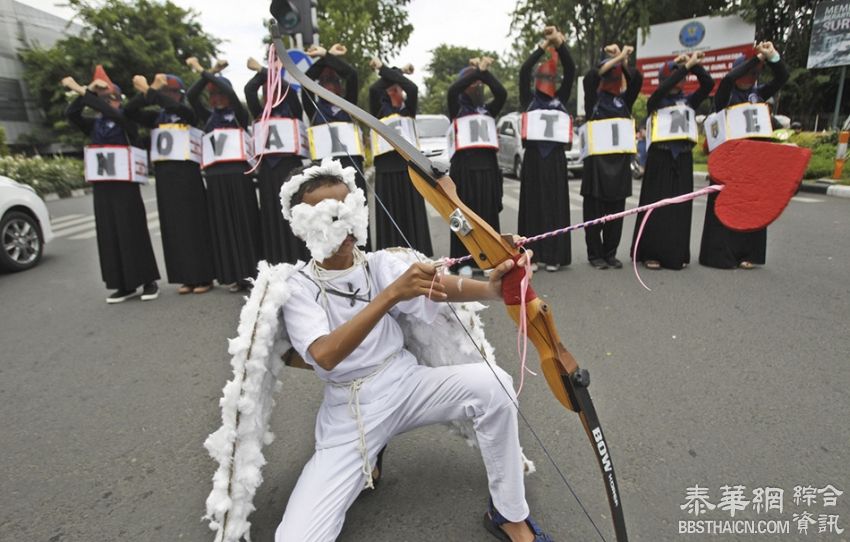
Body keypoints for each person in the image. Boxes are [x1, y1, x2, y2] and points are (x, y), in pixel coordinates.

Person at [273, 158, 552, 542]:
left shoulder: (379, 264)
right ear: (303, 224)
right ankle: (370, 451)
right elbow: (324, 355)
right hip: (351, 411)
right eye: (328, 214)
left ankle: (508, 513)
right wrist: (390, 296)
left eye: (348, 207)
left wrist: (494, 287)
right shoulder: (297, 286)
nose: (345, 223)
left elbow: (437, 286)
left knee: (495, 386)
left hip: (405, 381)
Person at [62, 66, 160, 303]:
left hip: (125, 185)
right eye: (105, 99)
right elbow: (72, 114)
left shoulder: (125, 119)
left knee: (132, 230)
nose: (108, 103)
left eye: (111, 98)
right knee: (110, 233)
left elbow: (114, 114)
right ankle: (122, 284)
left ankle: (148, 281)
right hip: (103, 185)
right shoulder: (94, 124)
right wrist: (84, 93)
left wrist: (83, 90)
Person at [699, 41, 789, 270]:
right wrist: (756, 59)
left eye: (756, 73)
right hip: (729, 161)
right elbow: (729, 79)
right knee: (727, 207)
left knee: (751, 206)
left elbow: (781, 78)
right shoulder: (725, 96)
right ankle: (723, 254)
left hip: (754, 160)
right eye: (750, 72)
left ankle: (749, 253)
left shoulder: (758, 95)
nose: (753, 77)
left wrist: (772, 57)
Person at [125, 73, 216, 294]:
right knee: (173, 227)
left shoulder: (187, 113)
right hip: (165, 176)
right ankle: (185, 277)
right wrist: (145, 94)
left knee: (194, 226)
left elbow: (176, 108)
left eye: (173, 93)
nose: (168, 97)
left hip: (188, 175)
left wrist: (150, 90)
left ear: (181, 94)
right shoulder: (157, 117)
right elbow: (129, 112)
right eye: (166, 93)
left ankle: (203, 276)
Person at [630, 52, 714, 270]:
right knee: (657, 208)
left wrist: (693, 65)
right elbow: (662, 87)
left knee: (680, 208)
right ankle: (651, 253)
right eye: (676, 76)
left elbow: (708, 84)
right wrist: (683, 67)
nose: (681, 80)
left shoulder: (688, 101)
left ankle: (676, 254)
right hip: (661, 158)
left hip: (683, 158)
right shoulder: (656, 101)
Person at [186, 57, 262, 291]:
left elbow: (229, 90)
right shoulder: (208, 116)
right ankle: (234, 275)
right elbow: (191, 95)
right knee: (224, 226)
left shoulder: (239, 114)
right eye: (213, 94)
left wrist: (205, 71)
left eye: (221, 93)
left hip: (239, 175)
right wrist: (208, 73)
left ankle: (252, 273)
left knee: (245, 223)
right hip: (215, 177)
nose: (217, 97)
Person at [517, 26, 575, 272]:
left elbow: (571, 69)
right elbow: (523, 71)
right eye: (544, 78)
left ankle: (554, 255)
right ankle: (535, 254)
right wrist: (543, 45)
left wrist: (559, 44)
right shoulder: (528, 99)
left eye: (551, 78)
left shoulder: (560, 98)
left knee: (555, 205)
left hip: (555, 159)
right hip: (532, 159)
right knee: (534, 206)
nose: (547, 83)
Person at [303, 43, 371, 251]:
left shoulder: (348, 104)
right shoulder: (312, 106)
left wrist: (328, 56)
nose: (329, 85)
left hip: (351, 167)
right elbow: (304, 80)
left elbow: (351, 74)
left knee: (356, 213)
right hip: (325, 170)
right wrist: (325, 58)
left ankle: (361, 254)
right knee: (326, 215)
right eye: (323, 81)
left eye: (333, 80)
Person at [581, 44, 643, 270]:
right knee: (594, 213)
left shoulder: (624, 102)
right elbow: (590, 76)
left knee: (616, 213)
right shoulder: (593, 100)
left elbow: (636, 80)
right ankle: (594, 254)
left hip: (619, 165)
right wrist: (617, 56)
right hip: (597, 166)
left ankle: (610, 253)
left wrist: (624, 61)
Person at [244, 55, 309, 264]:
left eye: (273, 89)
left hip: (290, 168)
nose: (269, 94)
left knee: (294, 213)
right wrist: (261, 75)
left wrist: (264, 70)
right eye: (266, 90)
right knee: (271, 215)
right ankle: (275, 261)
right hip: (268, 172)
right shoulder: (259, 112)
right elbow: (248, 91)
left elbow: (288, 88)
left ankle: (299, 258)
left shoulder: (294, 110)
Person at [447, 56, 507, 276]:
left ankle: (491, 259)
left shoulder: (488, 110)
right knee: (463, 216)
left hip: (488, 169)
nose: (478, 88)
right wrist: (475, 71)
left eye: (480, 85)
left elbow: (501, 93)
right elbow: (453, 90)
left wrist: (484, 73)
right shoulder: (456, 108)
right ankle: (462, 261)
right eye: (473, 84)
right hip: (464, 169)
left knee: (487, 216)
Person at [368, 57, 433, 256]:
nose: (397, 92)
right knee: (390, 219)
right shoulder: (378, 111)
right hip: (386, 173)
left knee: (413, 216)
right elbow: (374, 89)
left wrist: (391, 71)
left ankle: (418, 255)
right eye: (392, 89)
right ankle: (391, 258)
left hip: (409, 170)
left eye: (398, 88)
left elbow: (412, 88)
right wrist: (396, 72)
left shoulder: (408, 110)